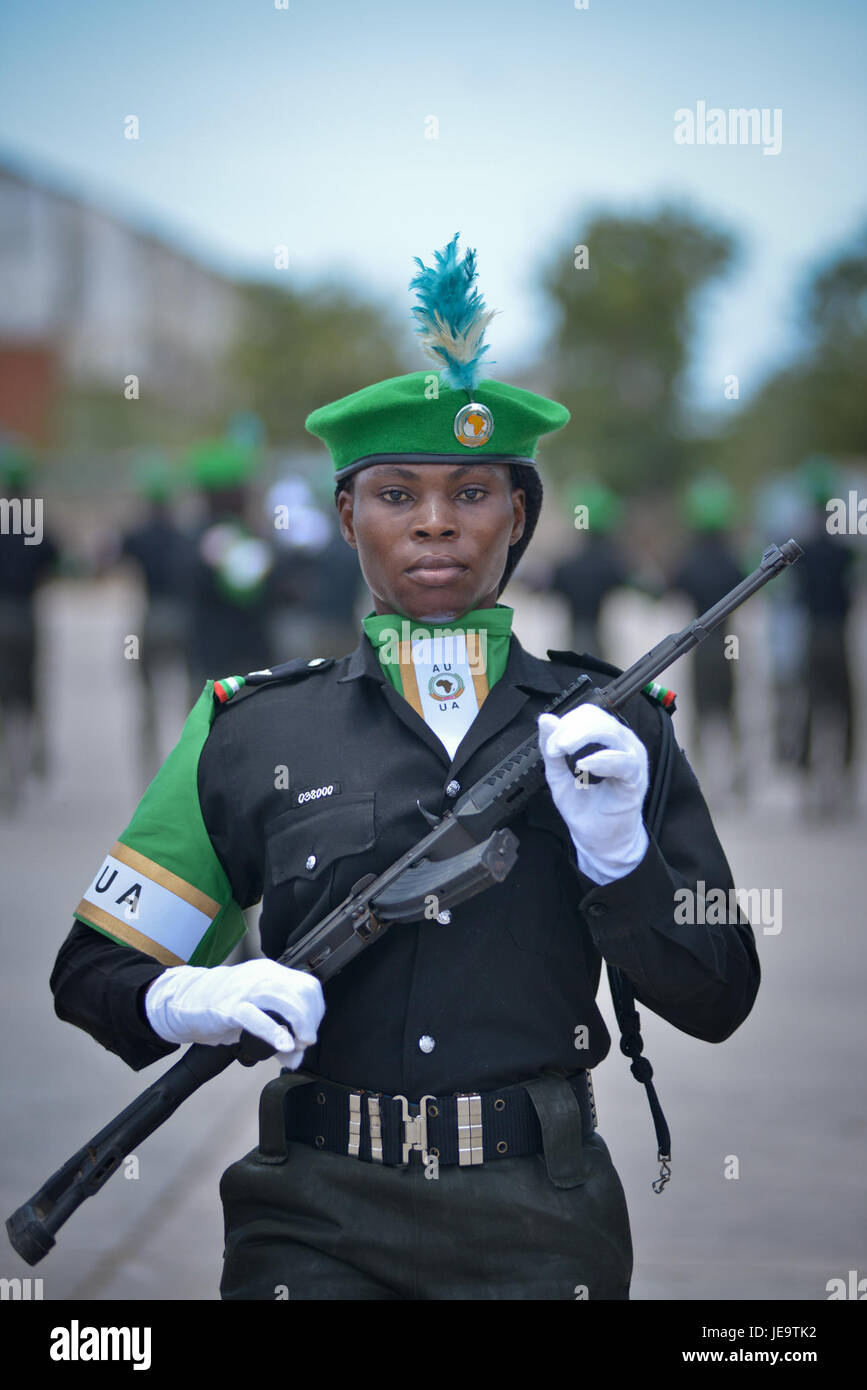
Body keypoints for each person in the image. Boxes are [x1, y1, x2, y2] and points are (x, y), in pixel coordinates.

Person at [50, 237, 760, 1301]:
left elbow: (719, 995)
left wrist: (621, 859)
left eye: (474, 491)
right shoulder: (247, 729)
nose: (435, 521)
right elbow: (92, 974)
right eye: (395, 492)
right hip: (312, 1220)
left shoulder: (616, 727)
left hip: (544, 1218)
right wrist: (188, 996)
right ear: (347, 516)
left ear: (519, 516)